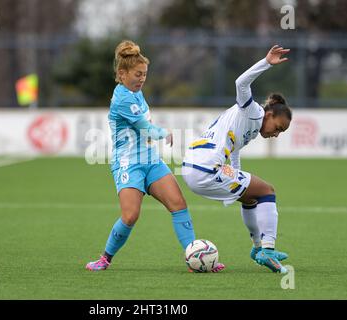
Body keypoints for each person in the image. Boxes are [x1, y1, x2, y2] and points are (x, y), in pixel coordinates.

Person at [86, 40, 225, 272]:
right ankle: (104, 258)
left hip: (151, 160)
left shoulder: (136, 93)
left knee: (178, 204)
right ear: (122, 73)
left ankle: (196, 258)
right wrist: (164, 133)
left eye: (145, 75)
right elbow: (144, 127)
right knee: (130, 216)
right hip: (128, 164)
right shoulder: (122, 98)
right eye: (138, 74)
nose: (142, 79)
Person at [182, 45, 292, 274]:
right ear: (269, 114)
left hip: (193, 166)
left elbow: (234, 151)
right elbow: (241, 83)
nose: (276, 134)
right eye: (278, 127)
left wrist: (237, 183)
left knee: (251, 198)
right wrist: (266, 62)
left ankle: (258, 248)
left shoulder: (250, 127)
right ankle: (268, 251)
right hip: (206, 168)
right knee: (267, 191)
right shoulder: (252, 112)